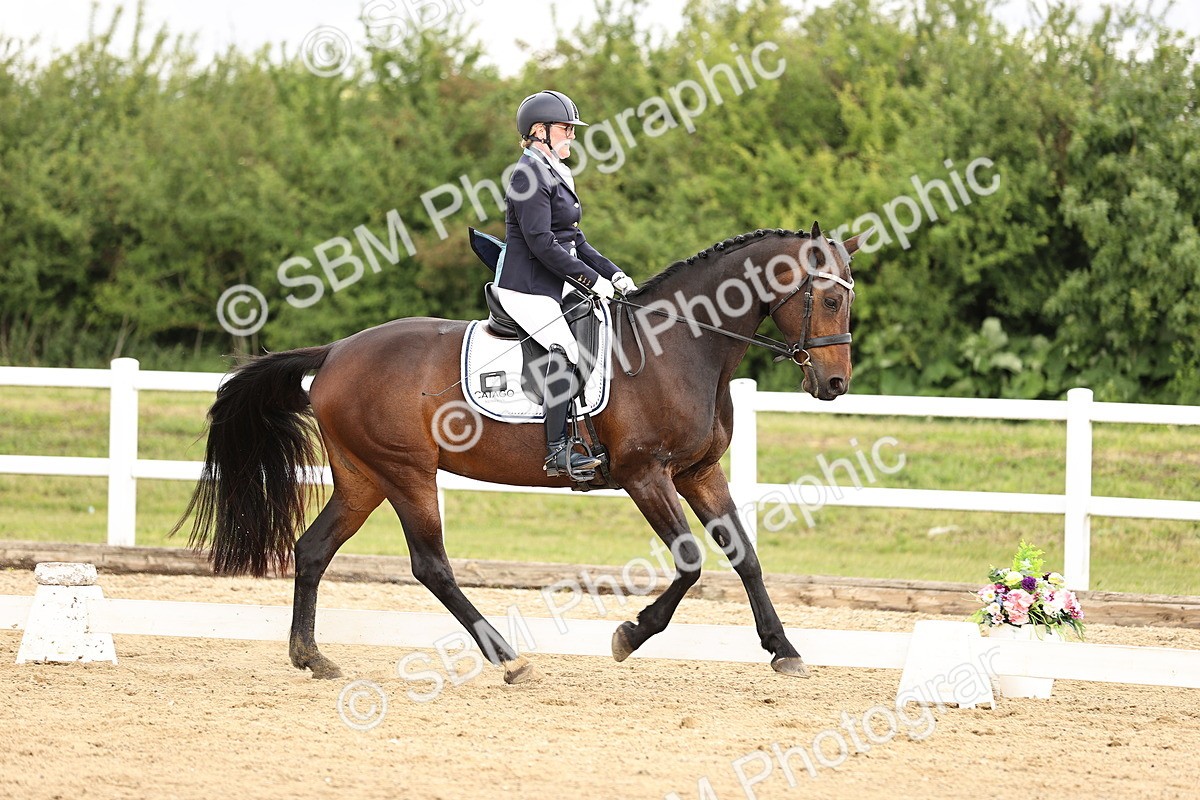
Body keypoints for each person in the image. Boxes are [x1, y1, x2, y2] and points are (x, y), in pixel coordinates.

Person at [495, 89, 637, 480]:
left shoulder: (554, 170)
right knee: (568, 348)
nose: (572, 136)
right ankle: (557, 451)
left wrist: (614, 274)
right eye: (565, 129)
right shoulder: (526, 175)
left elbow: (575, 239)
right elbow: (541, 243)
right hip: (527, 287)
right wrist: (590, 280)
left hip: (554, 283)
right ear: (538, 131)